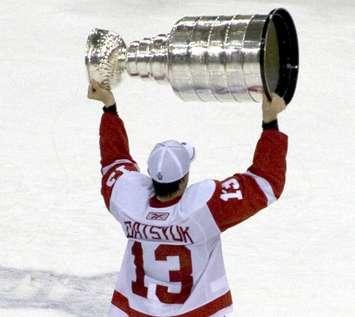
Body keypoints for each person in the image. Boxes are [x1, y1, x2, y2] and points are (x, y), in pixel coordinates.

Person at [87, 80, 288, 317]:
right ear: (184, 180)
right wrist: (270, 120)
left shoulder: (128, 202)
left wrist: (109, 106)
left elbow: (114, 160)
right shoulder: (204, 210)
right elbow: (265, 182)